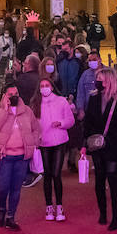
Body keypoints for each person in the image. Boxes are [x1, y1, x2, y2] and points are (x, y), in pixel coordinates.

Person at [82, 66, 117, 230]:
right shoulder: (93, 98)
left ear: (108, 81)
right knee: (99, 180)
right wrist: (85, 144)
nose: (97, 83)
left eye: (100, 80)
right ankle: (103, 213)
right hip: (97, 145)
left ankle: (116, 217)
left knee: (113, 180)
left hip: (114, 146)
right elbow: (88, 123)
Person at [0, 84, 40, 230]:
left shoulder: (27, 111)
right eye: (10, 94)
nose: (14, 96)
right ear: (4, 95)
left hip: (22, 157)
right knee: (2, 188)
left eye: (16, 93)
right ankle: (2, 210)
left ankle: (11, 216)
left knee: (16, 189)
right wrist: (5, 109)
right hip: (4, 157)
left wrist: (33, 142)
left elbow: (36, 129)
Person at [34, 78, 76, 221]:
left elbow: (71, 121)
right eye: (42, 86)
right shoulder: (35, 104)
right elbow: (33, 125)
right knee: (47, 174)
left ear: (52, 87)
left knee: (56, 174)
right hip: (44, 143)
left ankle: (59, 205)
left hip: (59, 141)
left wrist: (61, 123)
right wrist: (36, 137)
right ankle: (48, 206)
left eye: (47, 85)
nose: (44, 88)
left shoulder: (61, 101)